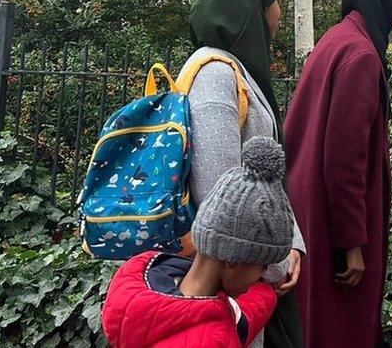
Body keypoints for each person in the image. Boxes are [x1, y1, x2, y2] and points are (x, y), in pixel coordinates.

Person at [182, 0, 305, 348]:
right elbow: (220, 192)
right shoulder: (215, 74)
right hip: (231, 277)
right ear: (251, 6)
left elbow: (266, 177)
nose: (279, 13)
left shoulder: (238, 71)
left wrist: (293, 244)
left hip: (249, 269)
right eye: (274, 0)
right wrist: (278, 260)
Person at [285, 0, 392, 347]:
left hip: (311, 203)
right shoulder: (361, 55)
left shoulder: (335, 40)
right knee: (341, 325)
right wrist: (352, 243)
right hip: (333, 217)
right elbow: (344, 158)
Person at [102, 137, 295, 348]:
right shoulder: (214, 338)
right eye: (263, 266)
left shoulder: (140, 282)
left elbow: (242, 317)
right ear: (231, 260)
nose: (265, 273)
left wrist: (269, 291)